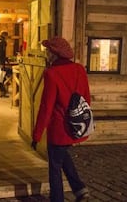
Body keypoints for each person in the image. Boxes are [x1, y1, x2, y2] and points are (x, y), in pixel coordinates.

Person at [31, 36, 90, 202]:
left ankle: (57, 199)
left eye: (47, 51)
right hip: (75, 124)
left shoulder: (52, 73)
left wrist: (36, 136)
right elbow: (86, 99)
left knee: (55, 167)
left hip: (58, 129)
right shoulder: (79, 69)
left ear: (54, 53)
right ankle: (80, 190)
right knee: (62, 157)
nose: (46, 54)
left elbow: (46, 107)